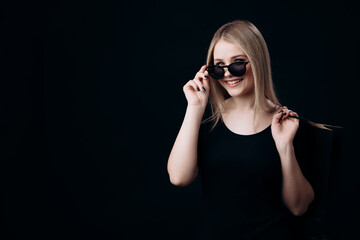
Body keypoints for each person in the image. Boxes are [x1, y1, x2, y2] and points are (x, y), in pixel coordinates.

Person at [167, 20, 333, 240]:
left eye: (237, 63)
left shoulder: (288, 124)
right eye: (218, 67)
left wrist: (285, 148)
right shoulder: (206, 120)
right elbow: (179, 177)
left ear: (257, 62)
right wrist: (195, 107)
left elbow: (298, 207)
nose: (227, 74)